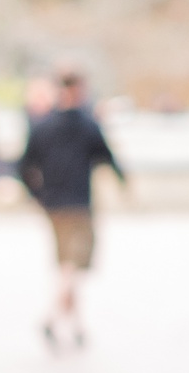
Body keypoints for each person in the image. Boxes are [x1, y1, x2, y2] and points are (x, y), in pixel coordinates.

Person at [21, 67, 126, 348]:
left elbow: (24, 164)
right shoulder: (87, 125)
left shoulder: (44, 125)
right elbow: (107, 156)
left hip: (53, 203)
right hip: (77, 203)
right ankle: (52, 317)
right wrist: (124, 182)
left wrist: (38, 194)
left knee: (69, 264)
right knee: (72, 265)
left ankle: (77, 325)